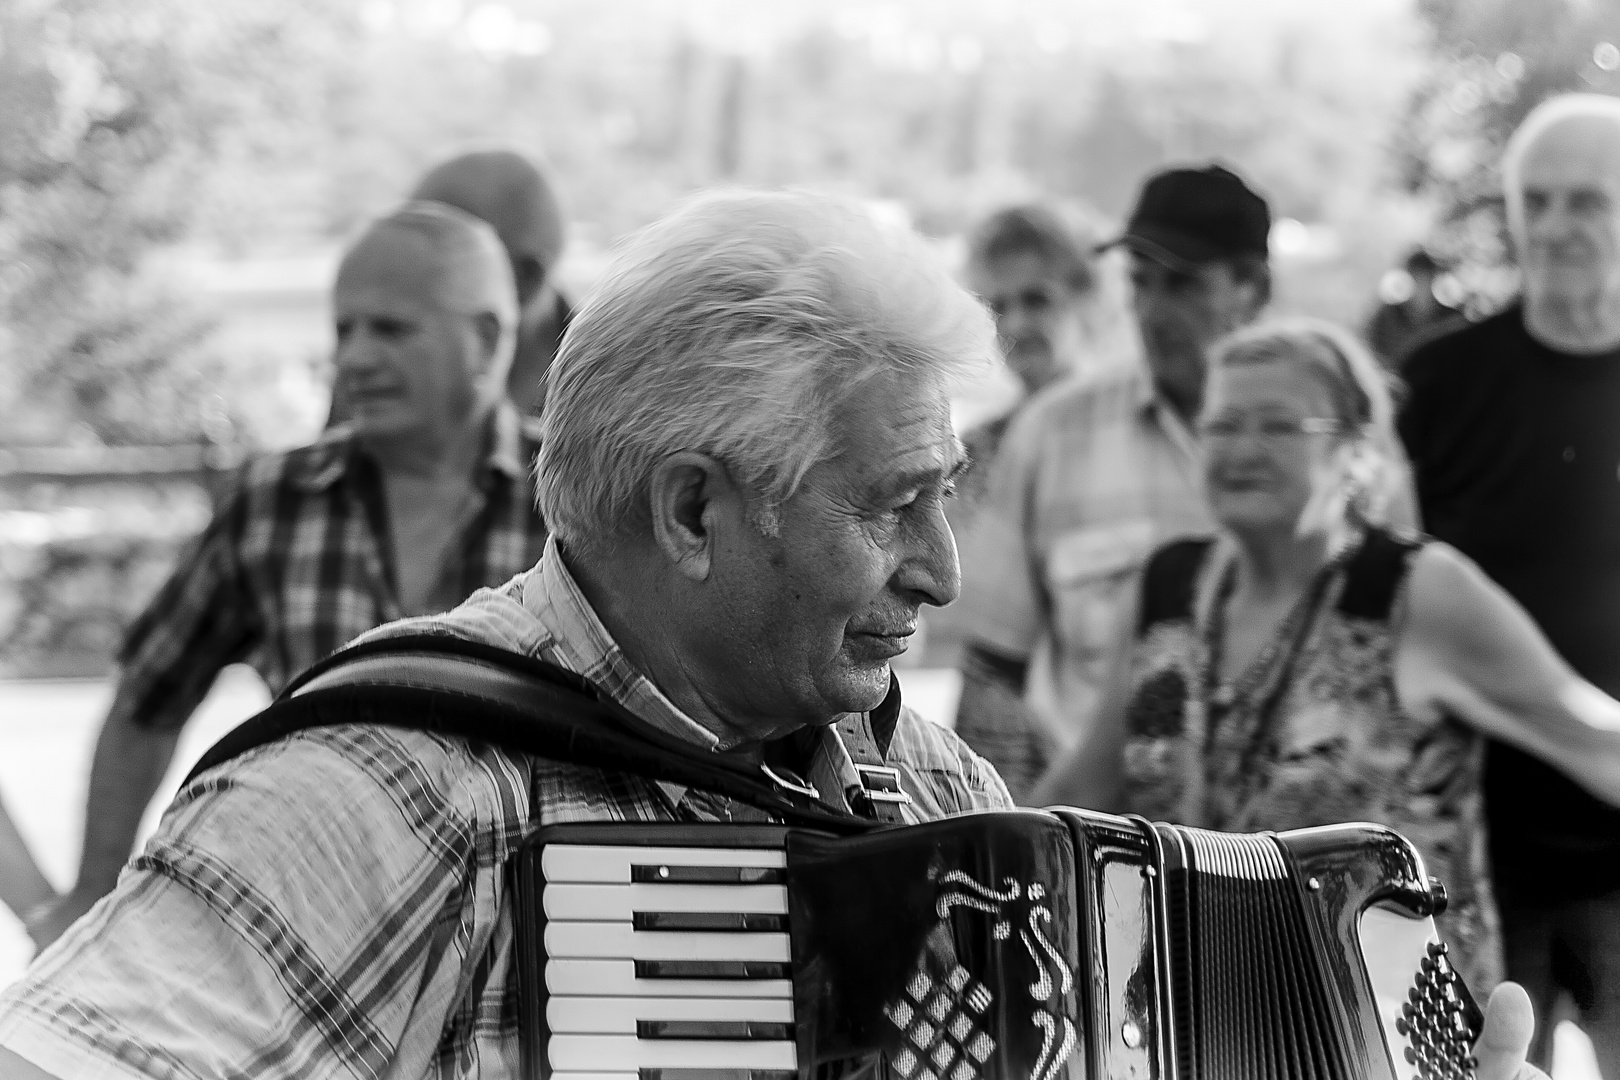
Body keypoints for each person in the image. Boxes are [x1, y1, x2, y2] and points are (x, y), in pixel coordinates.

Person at [0, 191, 1560, 1080]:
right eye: (892, 507)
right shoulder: (387, 795)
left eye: (950, 497)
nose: (944, 570)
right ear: (692, 511)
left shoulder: (925, 798)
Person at [1036, 317, 1620, 998]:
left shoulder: (1412, 591)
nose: (1241, 449)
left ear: (1355, 452)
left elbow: (1594, 739)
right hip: (1202, 1016)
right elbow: (1083, 792)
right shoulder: (1169, 585)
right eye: (1222, 425)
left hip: (1392, 1031)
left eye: (1279, 426)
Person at [26, 201, 551, 950]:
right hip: (311, 944)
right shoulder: (273, 502)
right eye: (345, 329)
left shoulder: (574, 500)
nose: (355, 357)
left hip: (525, 945)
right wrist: (90, 894)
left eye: (391, 329)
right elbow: (148, 700)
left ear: (488, 339)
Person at [1399, 92, 1620, 1074]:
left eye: (1590, 201)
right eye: (1543, 201)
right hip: (1478, 853)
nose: (1563, 225)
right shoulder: (1439, 384)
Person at [950, 163, 1277, 800]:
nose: (1153, 311)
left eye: (1181, 284)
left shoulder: (1336, 438)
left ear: (1253, 289)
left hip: (1293, 860)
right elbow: (992, 669)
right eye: (1140, 283)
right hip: (1110, 856)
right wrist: (1001, 855)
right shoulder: (1049, 435)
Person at [329, 149, 570, 422]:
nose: (358, 358)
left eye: (445, 255)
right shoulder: (373, 354)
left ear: (526, 278)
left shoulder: (610, 381)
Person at [956, 204, 1098, 509]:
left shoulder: (1121, 428)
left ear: (1084, 298)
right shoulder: (975, 454)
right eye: (998, 307)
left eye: (1036, 300)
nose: (1016, 324)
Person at [1364, 247, 1463, 369]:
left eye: (1426, 275)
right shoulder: (1387, 315)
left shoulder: (1452, 320)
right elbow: (1371, 352)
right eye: (1416, 275)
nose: (1421, 282)